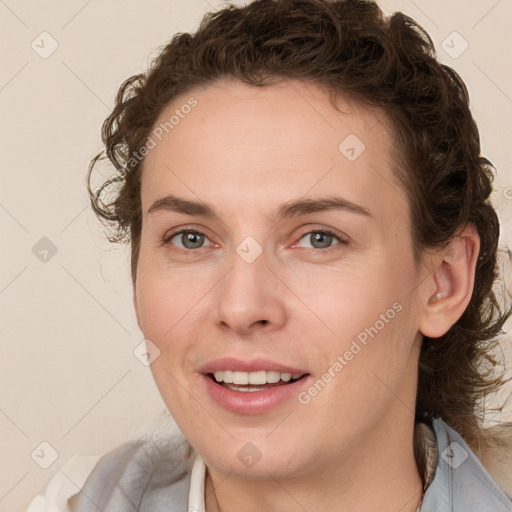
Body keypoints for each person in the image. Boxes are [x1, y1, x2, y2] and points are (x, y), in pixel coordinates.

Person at [27, 0, 512, 511]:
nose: (240, 306)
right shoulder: (79, 500)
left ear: (443, 281)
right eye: (191, 238)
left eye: (319, 238)